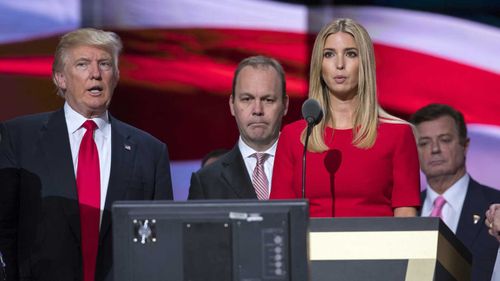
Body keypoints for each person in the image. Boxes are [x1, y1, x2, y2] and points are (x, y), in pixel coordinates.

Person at [0, 28, 173, 281]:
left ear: (116, 76)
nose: (95, 74)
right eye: (83, 64)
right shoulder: (18, 137)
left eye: (104, 64)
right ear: (61, 78)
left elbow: (162, 239)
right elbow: (5, 229)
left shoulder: (150, 151)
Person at [269, 18, 420, 217]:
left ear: (364, 63)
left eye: (350, 54)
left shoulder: (398, 135)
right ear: (319, 65)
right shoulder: (294, 137)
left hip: (376, 248)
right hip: (310, 248)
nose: (339, 64)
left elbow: (406, 220)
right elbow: (280, 217)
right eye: (329, 54)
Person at [410, 103, 500, 281]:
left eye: (444, 139)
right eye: (424, 143)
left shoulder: (496, 204)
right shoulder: (402, 213)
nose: (435, 149)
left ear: (465, 145)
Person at [188, 55, 289, 200]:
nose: (257, 110)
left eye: (268, 100)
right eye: (247, 99)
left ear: (285, 105)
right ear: (232, 105)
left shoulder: (307, 168)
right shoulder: (206, 182)